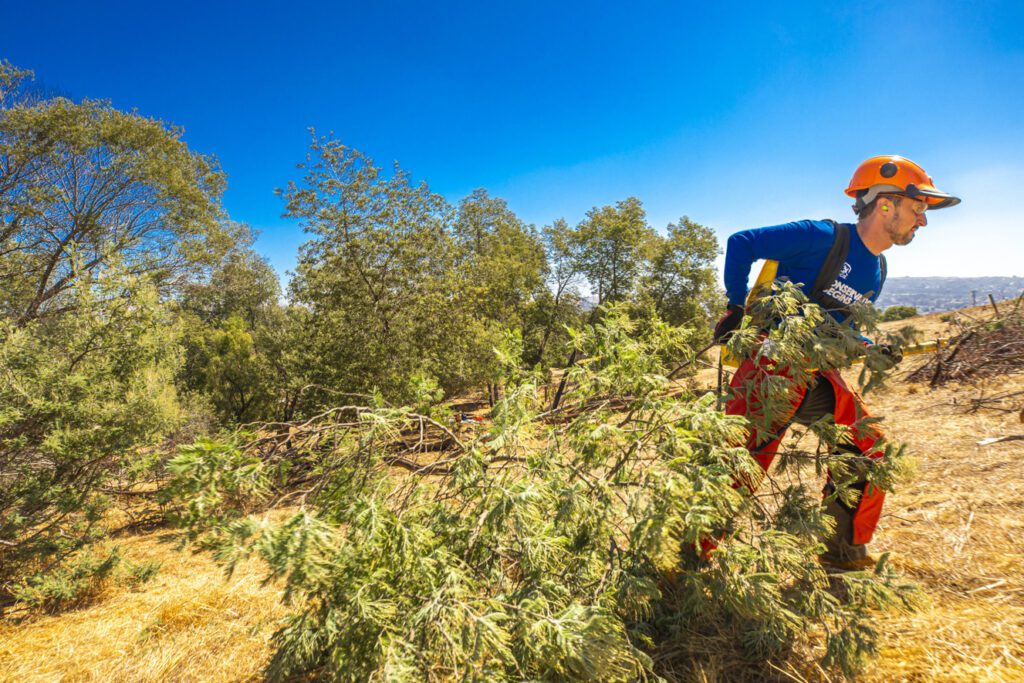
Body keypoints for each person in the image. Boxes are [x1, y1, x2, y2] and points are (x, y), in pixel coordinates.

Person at [711, 155, 960, 569]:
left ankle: (841, 552)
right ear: (885, 204)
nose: (923, 221)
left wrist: (869, 346)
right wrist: (736, 306)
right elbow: (742, 242)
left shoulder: (877, 270)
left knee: (868, 449)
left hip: (813, 372)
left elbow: (836, 329)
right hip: (769, 368)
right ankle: (693, 555)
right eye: (917, 209)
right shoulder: (819, 237)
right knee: (740, 465)